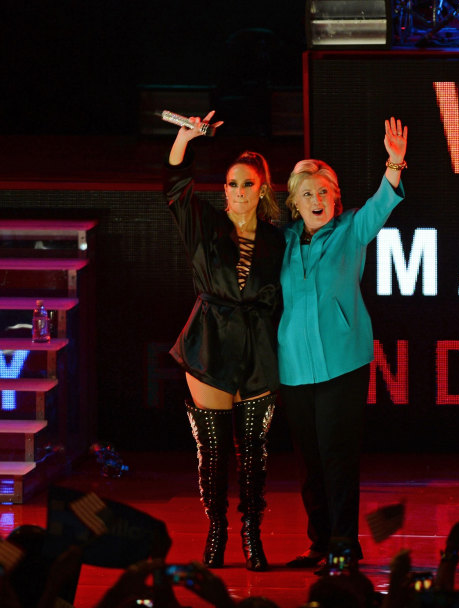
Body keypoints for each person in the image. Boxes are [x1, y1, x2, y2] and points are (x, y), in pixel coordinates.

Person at [278, 117, 408, 570]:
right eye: (308, 193)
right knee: (309, 463)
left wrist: (394, 162)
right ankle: (319, 544)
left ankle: (343, 547)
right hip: (294, 367)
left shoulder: (352, 229)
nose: (317, 199)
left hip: (342, 364)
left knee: (337, 457)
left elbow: (380, 206)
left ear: (337, 197)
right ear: (294, 203)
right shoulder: (285, 242)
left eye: (325, 191)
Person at [164, 111, 285, 571]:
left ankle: (252, 536)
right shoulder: (206, 227)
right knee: (212, 453)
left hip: (258, 351)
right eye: (232, 184)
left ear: (262, 190)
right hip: (210, 345)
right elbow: (175, 187)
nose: (237, 192)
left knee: (253, 454)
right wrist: (185, 138)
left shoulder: (279, 241)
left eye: (247, 184)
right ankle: (216, 533)